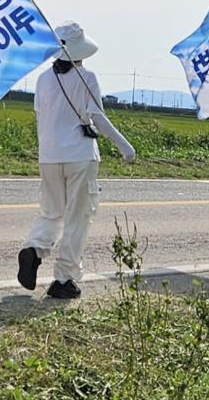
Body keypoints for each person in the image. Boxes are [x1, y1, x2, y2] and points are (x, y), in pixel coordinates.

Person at [18, 21, 135, 299]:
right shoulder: (87, 77)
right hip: (80, 156)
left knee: (51, 211)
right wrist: (126, 147)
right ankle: (64, 279)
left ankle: (34, 248)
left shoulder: (43, 79)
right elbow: (98, 117)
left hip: (49, 156)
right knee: (78, 218)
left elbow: (41, 116)